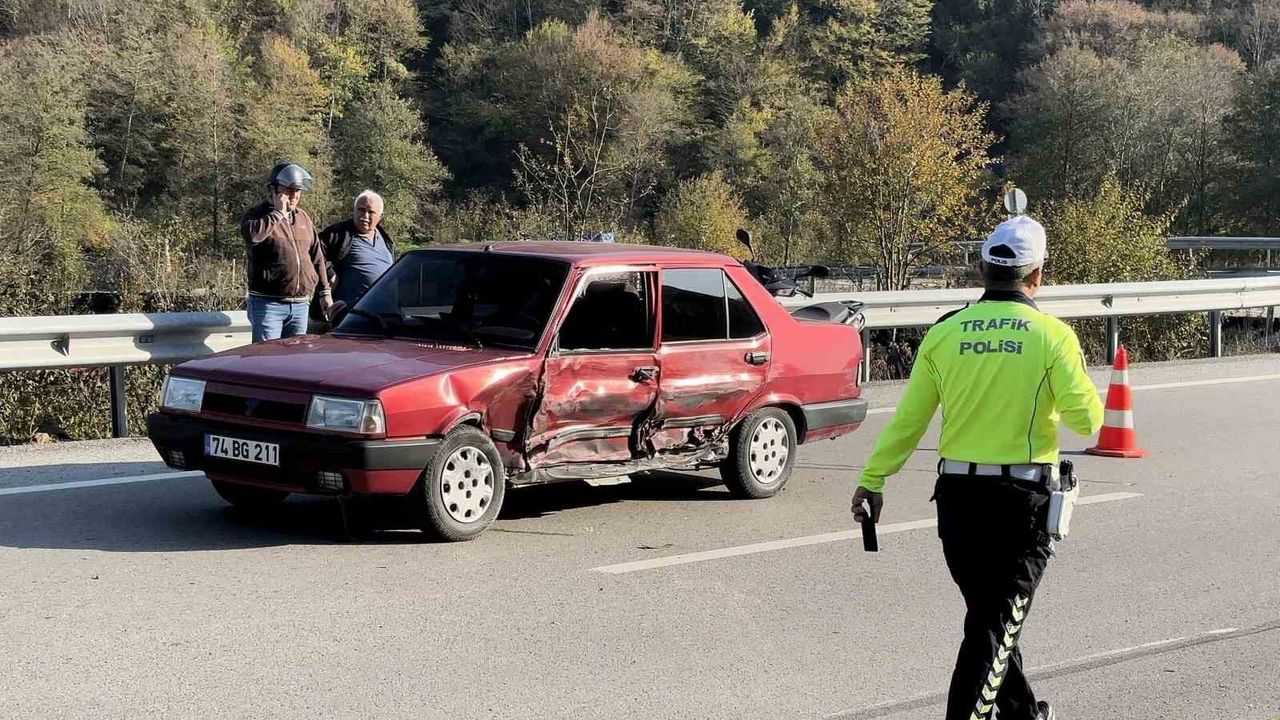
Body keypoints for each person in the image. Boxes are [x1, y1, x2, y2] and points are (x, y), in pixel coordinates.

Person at [850, 215, 1103, 720]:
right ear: (1037, 275)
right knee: (992, 629)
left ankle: (1023, 714)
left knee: (991, 619)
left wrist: (872, 480)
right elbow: (1088, 420)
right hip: (1021, 506)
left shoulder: (945, 333)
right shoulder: (1052, 336)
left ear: (982, 270)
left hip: (958, 504)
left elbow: (909, 421)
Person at [240, 162, 332, 342]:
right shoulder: (256, 215)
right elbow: (253, 236)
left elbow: (317, 257)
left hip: (300, 305)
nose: (294, 196)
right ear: (273, 189)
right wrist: (277, 214)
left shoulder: (303, 218)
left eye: (297, 191)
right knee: (267, 356)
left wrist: (325, 292)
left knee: (294, 357)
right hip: (268, 305)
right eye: (288, 190)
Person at [318, 190, 396, 315]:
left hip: (381, 312)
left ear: (380, 217)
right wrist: (329, 275)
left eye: (371, 212)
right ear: (353, 210)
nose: (365, 216)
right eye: (361, 210)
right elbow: (313, 255)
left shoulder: (386, 240)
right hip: (349, 314)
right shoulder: (338, 234)